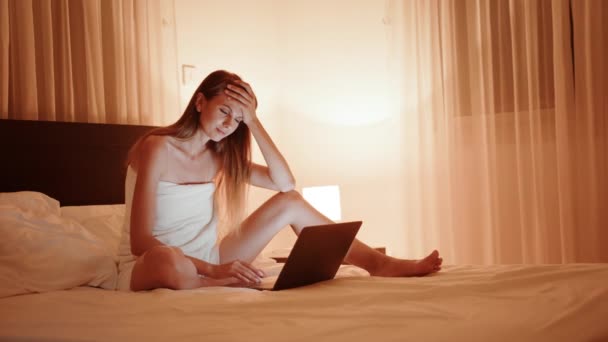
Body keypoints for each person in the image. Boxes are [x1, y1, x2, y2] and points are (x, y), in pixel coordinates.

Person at [116, 70, 443, 291]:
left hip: (210, 256)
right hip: (155, 261)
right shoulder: (157, 148)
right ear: (200, 102)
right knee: (166, 260)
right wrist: (214, 271)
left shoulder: (220, 157)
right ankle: (212, 284)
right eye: (224, 111)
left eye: (238, 118)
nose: (230, 124)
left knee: (291, 203)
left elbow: (285, 184)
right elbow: (140, 242)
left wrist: (254, 122)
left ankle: (379, 263)